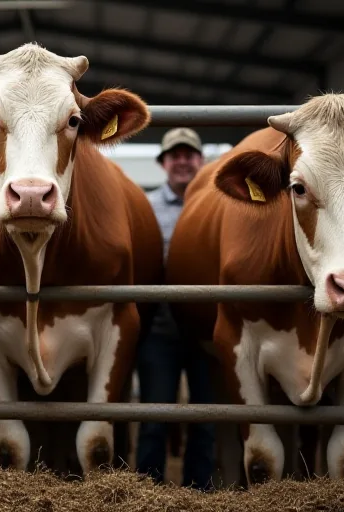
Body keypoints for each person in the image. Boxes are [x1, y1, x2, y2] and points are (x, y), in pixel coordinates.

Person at [135, 127, 216, 490]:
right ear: (164, 163)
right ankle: (147, 491)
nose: (183, 161)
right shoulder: (145, 207)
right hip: (161, 325)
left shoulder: (217, 206)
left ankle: (200, 490)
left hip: (206, 325)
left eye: (190, 154)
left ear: (201, 161)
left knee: (207, 414)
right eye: (175, 155)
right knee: (155, 414)